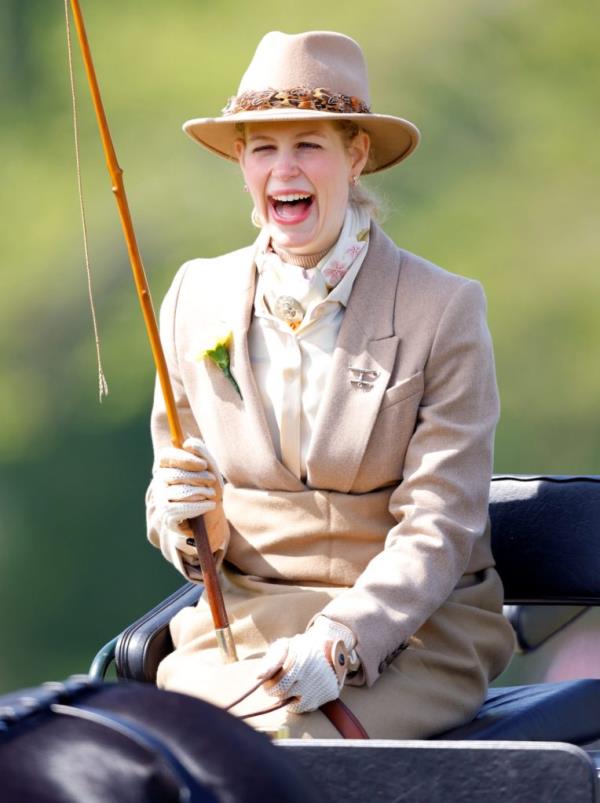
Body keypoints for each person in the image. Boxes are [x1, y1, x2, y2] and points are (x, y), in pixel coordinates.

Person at [145, 30, 515, 739]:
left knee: (290, 747)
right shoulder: (196, 294)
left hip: (413, 632)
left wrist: (341, 637)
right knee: (147, 747)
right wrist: (187, 519)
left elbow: (440, 522)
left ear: (355, 155)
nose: (283, 169)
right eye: (262, 147)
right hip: (241, 627)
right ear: (244, 165)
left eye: (308, 144)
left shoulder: (444, 309)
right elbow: (178, 499)